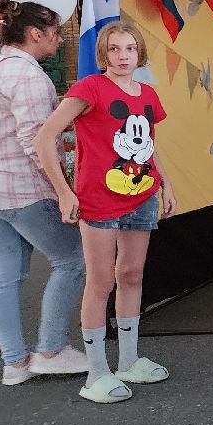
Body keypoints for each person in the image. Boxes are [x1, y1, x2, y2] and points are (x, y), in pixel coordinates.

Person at [35, 21, 176, 404]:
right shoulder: (90, 88)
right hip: (99, 200)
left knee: (131, 274)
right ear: (103, 55)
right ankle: (97, 373)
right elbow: (46, 136)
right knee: (100, 282)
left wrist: (165, 182)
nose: (123, 56)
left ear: (139, 52)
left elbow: (147, 143)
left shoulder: (147, 94)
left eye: (130, 48)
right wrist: (64, 192)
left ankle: (129, 361)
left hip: (142, 196)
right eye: (114, 49)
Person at [0, 0, 88, 388]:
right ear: (36, 34)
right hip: (21, 192)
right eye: (53, 33)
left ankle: (14, 362)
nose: (58, 40)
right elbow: (38, 143)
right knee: (73, 258)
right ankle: (51, 351)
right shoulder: (30, 76)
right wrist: (64, 192)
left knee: (5, 276)